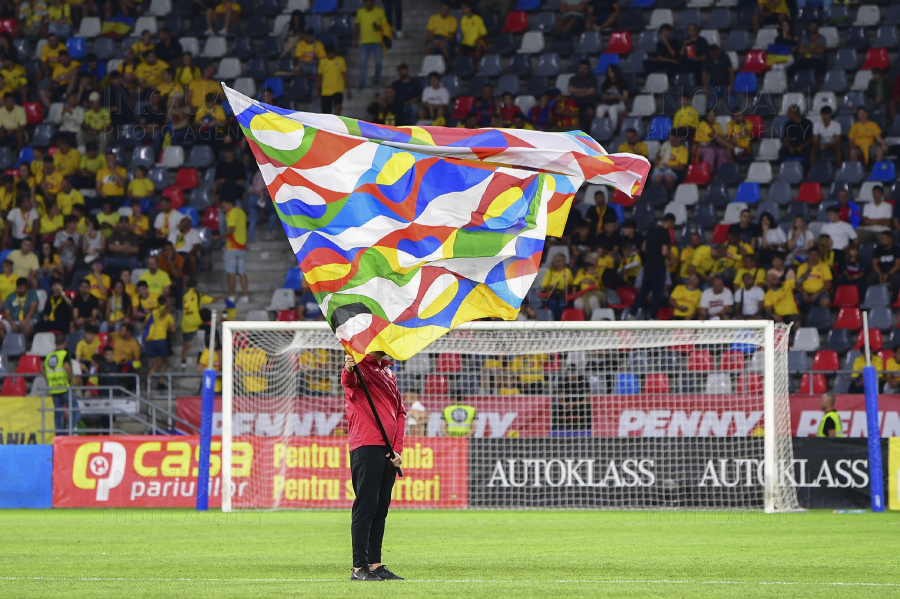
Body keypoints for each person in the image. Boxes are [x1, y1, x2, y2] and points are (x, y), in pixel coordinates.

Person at [342, 351, 406, 581]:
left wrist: (397, 447)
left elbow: (400, 412)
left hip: (388, 450)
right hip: (366, 444)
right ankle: (359, 568)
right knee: (366, 506)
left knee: (380, 509)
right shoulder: (360, 366)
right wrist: (349, 367)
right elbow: (349, 381)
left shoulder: (389, 373)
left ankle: (375, 564)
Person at [629, 213, 673, 320]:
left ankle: (632, 314)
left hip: (648, 265)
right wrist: (671, 258)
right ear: (670, 222)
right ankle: (653, 316)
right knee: (657, 293)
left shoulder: (651, 231)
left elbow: (644, 248)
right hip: (658, 266)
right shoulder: (665, 234)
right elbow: (664, 252)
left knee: (644, 291)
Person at [45, 333, 79, 434]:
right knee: (75, 410)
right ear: (65, 343)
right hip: (64, 387)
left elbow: (43, 370)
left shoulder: (49, 356)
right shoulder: (64, 354)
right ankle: (69, 431)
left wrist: (49, 381)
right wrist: (71, 379)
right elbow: (67, 367)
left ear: (55, 343)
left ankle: (59, 435)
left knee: (58, 413)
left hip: (53, 388)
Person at [355, 0, 387, 90]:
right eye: (365, 3)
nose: (367, 4)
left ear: (373, 3)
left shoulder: (379, 11)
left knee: (379, 63)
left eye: (369, 3)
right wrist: (355, 39)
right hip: (364, 42)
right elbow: (356, 26)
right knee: (363, 63)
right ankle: (361, 83)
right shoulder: (360, 12)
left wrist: (379, 27)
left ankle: (376, 79)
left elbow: (385, 25)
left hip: (377, 42)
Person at [145, 295, 176, 382]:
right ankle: (161, 381)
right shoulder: (168, 315)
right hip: (161, 341)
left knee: (154, 366)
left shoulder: (152, 313)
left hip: (150, 341)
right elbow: (173, 330)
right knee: (164, 362)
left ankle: (148, 385)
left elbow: (144, 325)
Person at [319, 44, 349, 116]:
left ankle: (336, 124)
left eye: (331, 53)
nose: (330, 55)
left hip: (338, 88)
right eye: (328, 54)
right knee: (326, 112)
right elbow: (319, 76)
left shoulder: (340, 60)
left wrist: (348, 88)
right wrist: (317, 89)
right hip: (326, 90)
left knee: (338, 107)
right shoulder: (322, 61)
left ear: (334, 52)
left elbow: (344, 74)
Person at [870, 230, 900, 299]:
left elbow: (898, 265)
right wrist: (880, 274)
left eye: (884, 239)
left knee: (897, 279)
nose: (882, 240)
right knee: (870, 279)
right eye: (881, 238)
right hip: (880, 272)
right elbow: (874, 264)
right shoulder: (878, 249)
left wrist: (888, 274)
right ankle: (871, 299)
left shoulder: (896, 249)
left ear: (890, 239)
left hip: (892, 273)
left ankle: (894, 300)